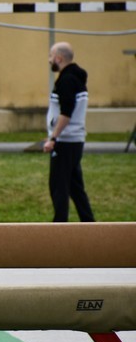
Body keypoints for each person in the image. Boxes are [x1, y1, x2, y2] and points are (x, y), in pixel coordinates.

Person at [44, 42, 95, 222]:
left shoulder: (66, 80)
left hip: (65, 141)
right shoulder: (76, 78)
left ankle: (59, 228)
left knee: (58, 187)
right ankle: (90, 225)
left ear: (59, 58)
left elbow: (66, 113)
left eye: (51, 57)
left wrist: (53, 138)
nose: (49, 61)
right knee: (75, 187)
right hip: (75, 140)